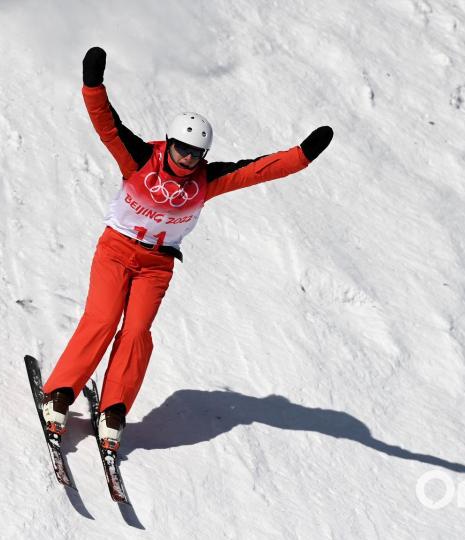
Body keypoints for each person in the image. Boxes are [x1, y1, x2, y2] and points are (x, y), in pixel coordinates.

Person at [41, 46, 333, 451]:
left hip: (156, 265)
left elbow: (256, 170)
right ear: (170, 142)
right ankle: (59, 394)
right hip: (117, 248)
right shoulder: (140, 158)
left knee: (138, 331)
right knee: (103, 319)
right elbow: (108, 126)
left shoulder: (207, 180)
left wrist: (302, 156)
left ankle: (113, 410)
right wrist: (93, 84)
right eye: (182, 149)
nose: (187, 158)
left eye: (196, 153)